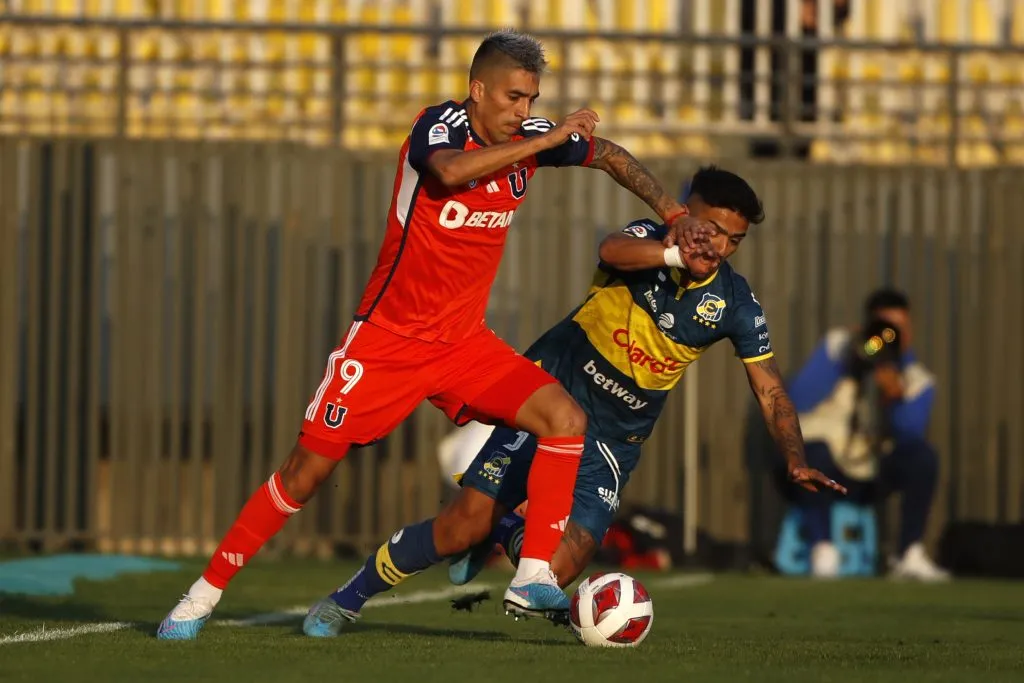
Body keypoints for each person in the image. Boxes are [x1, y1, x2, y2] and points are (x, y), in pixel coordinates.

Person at [156, 30, 714, 640]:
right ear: (477, 91)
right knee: (303, 475)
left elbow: (605, 152)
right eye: (511, 97)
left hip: (462, 345)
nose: (522, 111)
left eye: (531, 99)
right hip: (386, 343)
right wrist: (551, 138)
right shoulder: (439, 127)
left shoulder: (528, 139)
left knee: (564, 419)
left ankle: (530, 575)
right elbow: (448, 174)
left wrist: (674, 214)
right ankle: (201, 596)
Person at [300, 166, 846, 637]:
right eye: (711, 229)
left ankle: (503, 529)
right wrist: (675, 251)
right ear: (684, 213)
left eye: (734, 239)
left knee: (558, 571)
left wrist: (794, 456)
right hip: (547, 400)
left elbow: (770, 386)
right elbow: (610, 250)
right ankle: (349, 596)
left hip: (612, 441)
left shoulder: (735, 303)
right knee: (457, 529)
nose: (719, 246)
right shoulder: (646, 243)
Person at [787, 288, 949, 580]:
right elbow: (796, 399)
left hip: (874, 472)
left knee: (923, 457)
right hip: (829, 465)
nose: (887, 339)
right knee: (811, 449)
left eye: (896, 330)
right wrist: (847, 361)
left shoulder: (917, 379)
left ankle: (908, 553)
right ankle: (823, 550)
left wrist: (894, 397)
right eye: (882, 329)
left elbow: (909, 434)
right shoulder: (838, 348)